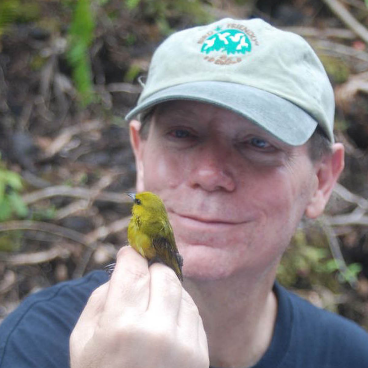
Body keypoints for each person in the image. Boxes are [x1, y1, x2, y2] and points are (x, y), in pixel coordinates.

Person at [1, 17, 368, 368]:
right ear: (140, 154)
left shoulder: (350, 356)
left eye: (258, 142)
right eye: (181, 134)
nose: (209, 174)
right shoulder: (31, 345)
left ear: (321, 180)